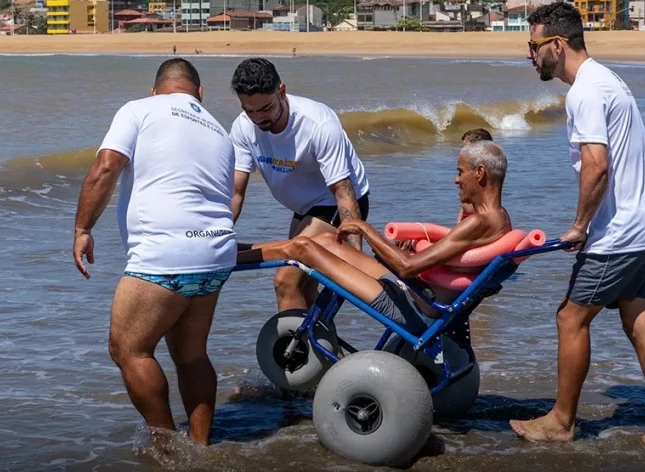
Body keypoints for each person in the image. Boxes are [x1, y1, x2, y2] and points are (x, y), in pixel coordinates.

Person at [510, 2, 645, 452]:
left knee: (570, 318)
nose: (528, 55)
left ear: (557, 44)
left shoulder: (584, 91)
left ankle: (562, 422)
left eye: (532, 45)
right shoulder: (607, 78)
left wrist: (581, 225)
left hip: (619, 233)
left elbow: (596, 166)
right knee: (643, 324)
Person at [72, 58, 238, 446]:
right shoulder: (219, 129)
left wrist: (83, 228)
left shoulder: (139, 109)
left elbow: (106, 167)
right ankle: (199, 445)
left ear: (155, 91)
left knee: (128, 350)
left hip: (164, 254)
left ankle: (166, 447)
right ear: (199, 93)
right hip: (215, 253)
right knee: (192, 355)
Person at [237, 141, 512, 331]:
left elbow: (406, 267)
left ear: (480, 173)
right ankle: (239, 251)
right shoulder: (500, 218)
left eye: (460, 172)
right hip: (420, 295)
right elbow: (442, 258)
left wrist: (365, 228)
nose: (456, 179)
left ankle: (232, 257)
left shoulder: (478, 221)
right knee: (324, 242)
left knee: (304, 250)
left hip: (416, 307)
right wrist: (414, 247)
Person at [228, 57, 370, 313]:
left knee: (286, 279)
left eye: (266, 108)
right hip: (305, 210)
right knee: (305, 288)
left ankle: (294, 351)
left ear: (281, 91)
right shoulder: (242, 127)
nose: (259, 119)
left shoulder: (318, 123)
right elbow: (235, 192)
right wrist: (216, 236)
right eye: (250, 110)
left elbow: (343, 193)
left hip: (336, 203)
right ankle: (323, 351)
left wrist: (355, 256)